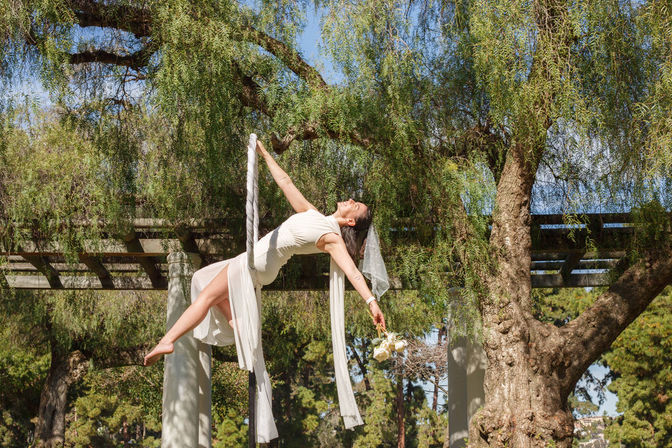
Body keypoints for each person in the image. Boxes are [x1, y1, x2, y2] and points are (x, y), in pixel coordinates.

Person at [143, 139, 386, 366]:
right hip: (261, 263)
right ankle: (239, 327)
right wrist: (265, 154)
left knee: (206, 297)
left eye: (356, 206)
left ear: (352, 222)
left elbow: (352, 272)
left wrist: (371, 302)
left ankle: (168, 340)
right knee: (202, 279)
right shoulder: (314, 215)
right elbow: (286, 182)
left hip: (259, 262)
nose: (351, 200)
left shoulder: (332, 237)